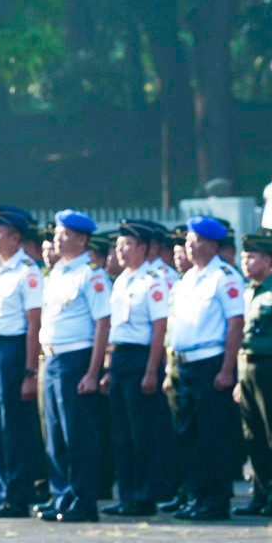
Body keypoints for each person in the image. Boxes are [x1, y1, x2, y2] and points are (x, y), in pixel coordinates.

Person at [165, 215, 245, 520]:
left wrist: (227, 370)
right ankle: (197, 496)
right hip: (186, 366)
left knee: (213, 435)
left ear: (212, 244)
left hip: (211, 364)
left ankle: (215, 500)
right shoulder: (188, 279)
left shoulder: (225, 277)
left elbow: (235, 324)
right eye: (187, 239)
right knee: (189, 434)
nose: (188, 245)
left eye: (195, 239)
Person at [36, 210, 110, 523]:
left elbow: (102, 324)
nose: (58, 238)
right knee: (53, 434)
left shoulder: (91, 274)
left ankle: (83, 499)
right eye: (57, 232)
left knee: (77, 433)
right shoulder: (57, 272)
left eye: (65, 234)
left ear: (82, 239)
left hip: (75, 359)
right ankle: (62, 496)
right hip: (51, 358)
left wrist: (93, 372)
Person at [0, 205, 43, 518]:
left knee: (11, 424)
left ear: (15, 237)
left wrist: (30, 370)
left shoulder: (27, 271)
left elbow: (33, 324)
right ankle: (1, 492)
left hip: (11, 351)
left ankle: (17, 494)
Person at [103, 221, 171, 516]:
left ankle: (144, 495)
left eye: (126, 244)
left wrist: (152, 371)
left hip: (141, 358)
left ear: (143, 248)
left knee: (141, 432)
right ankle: (127, 494)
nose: (120, 250)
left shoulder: (152, 281)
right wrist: (107, 368)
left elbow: (159, 329)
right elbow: (113, 330)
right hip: (118, 360)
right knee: (120, 432)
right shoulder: (120, 281)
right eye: (118, 245)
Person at [232, 234, 272, 517]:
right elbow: (239, 336)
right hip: (247, 367)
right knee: (252, 434)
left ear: (270, 261)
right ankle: (259, 491)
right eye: (245, 257)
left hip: (270, 367)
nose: (247, 263)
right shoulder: (246, 292)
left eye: (254, 257)